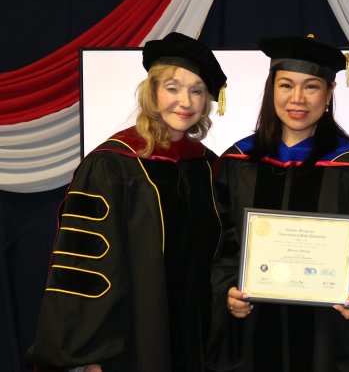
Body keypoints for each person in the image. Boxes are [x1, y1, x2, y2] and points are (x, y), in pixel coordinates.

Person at [26, 32, 227, 372]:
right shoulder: (112, 165)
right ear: (153, 92)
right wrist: (90, 356)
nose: (186, 101)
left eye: (197, 91)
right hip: (133, 342)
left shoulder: (209, 167)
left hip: (199, 341)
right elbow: (86, 266)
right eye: (173, 88)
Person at [207, 35, 349, 372]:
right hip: (253, 336)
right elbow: (220, 246)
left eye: (311, 87)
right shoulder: (237, 163)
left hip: (326, 339)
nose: (297, 99)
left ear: (329, 93)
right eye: (286, 85)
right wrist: (227, 292)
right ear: (271, 90)